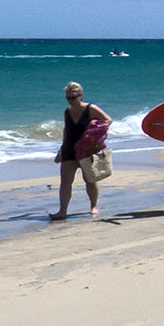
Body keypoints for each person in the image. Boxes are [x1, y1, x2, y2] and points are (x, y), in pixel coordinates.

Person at [51, 81, 111, 221]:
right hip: (69, 149)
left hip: (87, 150)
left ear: (80, 96)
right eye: (67, 98)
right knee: (66, 181)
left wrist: (95, 128)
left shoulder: (91, 108)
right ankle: (62, 211)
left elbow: (108, 120)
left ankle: (93, 206)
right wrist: (62, 145)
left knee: (89, 179)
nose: (70, 101)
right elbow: (67, 129)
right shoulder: (67, 112)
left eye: (72, 97)